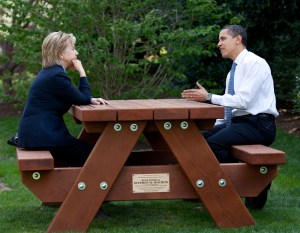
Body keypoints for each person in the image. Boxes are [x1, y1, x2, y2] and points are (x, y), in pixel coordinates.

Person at [181, 25, 278, 208]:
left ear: (238, 39)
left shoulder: (254, 63)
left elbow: (244, 101)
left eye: (223, 39)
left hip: (258, 124)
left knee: (212, 145)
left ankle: (250, 182)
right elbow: (229, 108)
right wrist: (216, 126)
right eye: (219, 40)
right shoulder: (232, 71)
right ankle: (253, 178)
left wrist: (209, 97)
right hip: (239, 123)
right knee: (197, 141)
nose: (219, 44)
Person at [16, 31, 109, 167]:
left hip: (37, 136)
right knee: (98, 157)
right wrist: (82, 72)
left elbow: (79, 97)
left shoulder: (51, 73)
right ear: (60, 54)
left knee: (93, 154)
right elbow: (82, 99)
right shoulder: (56, 76)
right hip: (43, 137)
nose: (76, 53)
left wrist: (88, 99)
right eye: (72, 49)